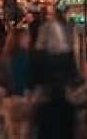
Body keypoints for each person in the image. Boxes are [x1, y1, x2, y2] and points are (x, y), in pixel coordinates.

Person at [29, 8, 79, 139]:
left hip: (45, 101)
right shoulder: (68, 55)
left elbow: (33, 80)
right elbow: (75, 78)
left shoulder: (38, 56)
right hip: (64, 100)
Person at [0, 25, 32, 139]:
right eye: (27, 37)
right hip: (23, 99)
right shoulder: (26, 56)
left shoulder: (6, 57)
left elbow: (1, 80)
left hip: (9, 101)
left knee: (13, 135)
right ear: (21, 39)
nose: (29, 40)